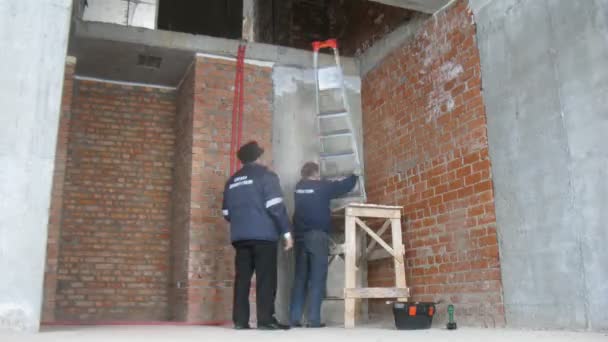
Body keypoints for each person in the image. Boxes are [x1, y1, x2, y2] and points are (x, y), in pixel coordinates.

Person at [222, 141, 293, 330]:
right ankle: (265, 320)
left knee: (242, 279)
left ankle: (240, 321)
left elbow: (226, 214)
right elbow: (276, 207)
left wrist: (243, 224)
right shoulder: (266, 176)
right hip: (263, 236)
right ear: (259, 157)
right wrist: (286, 232)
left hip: (240, 237)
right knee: (266, 278)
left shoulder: (232, 181)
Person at [289, 162, 359, 328]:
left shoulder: (298, 188)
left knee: (300, 278)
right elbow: (343, 187)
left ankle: (295, 318)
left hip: (299, 237)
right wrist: (354, 175)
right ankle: (313, 320)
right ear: (316, 173)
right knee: (317, 278)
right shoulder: (322, 186)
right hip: (316, 236)